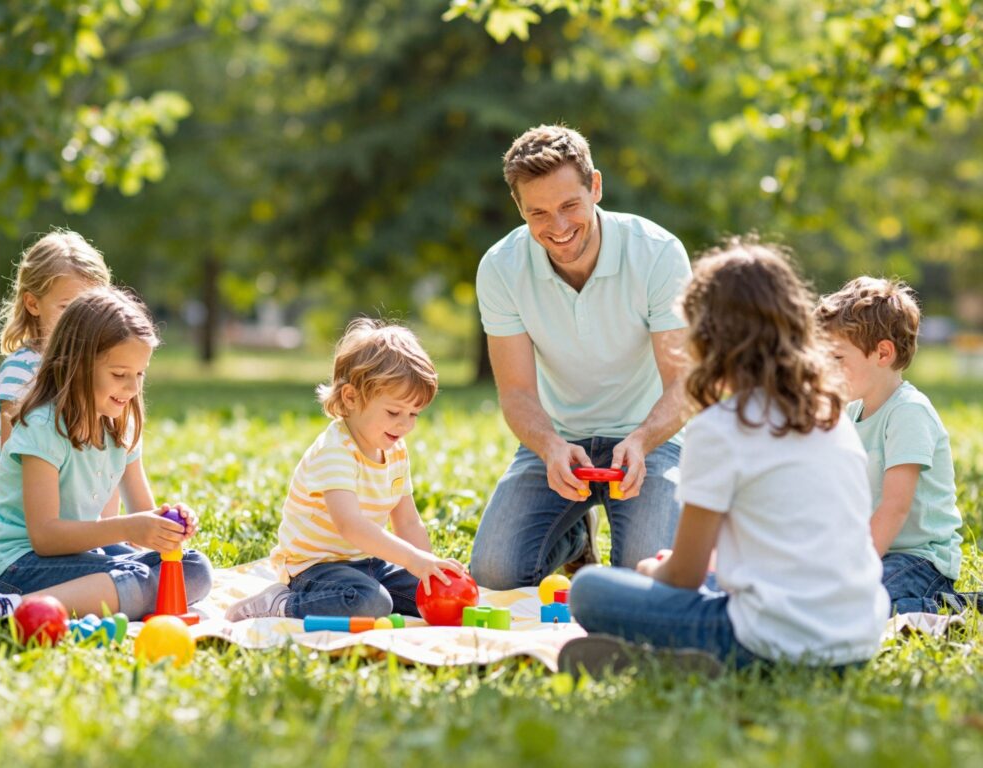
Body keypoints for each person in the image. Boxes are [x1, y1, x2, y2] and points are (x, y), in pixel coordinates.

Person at [565, 238, 889, 670]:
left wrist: (652, 574)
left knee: (589, 589)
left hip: (769, 639)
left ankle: (682, 658)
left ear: (705, 336)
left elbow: (684, 577)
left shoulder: (721, 426)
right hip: (856, 639)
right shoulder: (830, 414)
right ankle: (678, 658)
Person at [470, 124, 692, 589]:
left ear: (595, 186)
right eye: (539, 213)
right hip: (558, 442)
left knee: (646, 581)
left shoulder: (657, 254)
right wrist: (550, 447)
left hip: (648, 439)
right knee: (494, 574)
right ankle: (575, 540)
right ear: (519, 209)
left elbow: (682, 384)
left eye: (570, 205)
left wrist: (642, 440)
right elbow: (515, 392)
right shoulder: (500, 267)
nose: (558, 227)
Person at [0, 288, 213, 624]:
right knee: (135, 578)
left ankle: (89, 593)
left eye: (139, 374)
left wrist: (166, 523)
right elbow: (45, 538)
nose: (133, 388)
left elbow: (141, 512)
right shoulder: (43, 427)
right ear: (75, 366)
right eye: (119, 375)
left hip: (79, 555)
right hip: (19, 563)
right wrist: (128, 528)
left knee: (193, 568)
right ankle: (7, 607)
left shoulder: (120, 423)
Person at [225, 319, 464, 621]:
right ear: (351, 397)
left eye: (413, 414)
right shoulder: (335, 450)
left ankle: (388, 588)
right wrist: (412, 559)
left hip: (366, 562)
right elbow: (350, 525)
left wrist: (430, 568)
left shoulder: (395, 449)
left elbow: (408, 521)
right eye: (393, 412)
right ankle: (282, 603)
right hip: (313, 568)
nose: (405, 425)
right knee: (371, 604)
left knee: (427, 594)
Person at [817, 277, 965, 613]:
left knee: (870, 604)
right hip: (875, 549)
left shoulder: (908, 412)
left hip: (918, 558)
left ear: (882, 352)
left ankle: (951, 605)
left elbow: (895, 508)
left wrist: (854, 570)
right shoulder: (851, 412)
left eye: (838, 358)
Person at [0, 230, 111, 535]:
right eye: (67, 308)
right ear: (33, 304)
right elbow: (16, 463)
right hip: (9, 518)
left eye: (91, 307)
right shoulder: (21, 372)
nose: (81, 321)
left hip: (67, 512)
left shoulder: (97, 368)